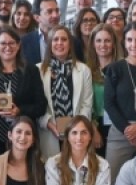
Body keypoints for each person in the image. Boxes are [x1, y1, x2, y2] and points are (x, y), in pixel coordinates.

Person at [0, 27, 49, 165]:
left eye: (12, 43)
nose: (7, 47)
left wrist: (19, 111)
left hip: (21, 138)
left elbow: (41, 105)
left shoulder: (31, 70)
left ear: (18, 45)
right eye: (3, 43)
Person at [103, 22, 136, 180]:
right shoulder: (114, 69)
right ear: (124, 43)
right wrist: (127, 129)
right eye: (129, 40)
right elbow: (109, 104)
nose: (134, 44)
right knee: (112, 179)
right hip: (120, 132)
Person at [35, 24, 94, 162]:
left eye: (64, 39)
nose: (60, 43)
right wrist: (49, 124)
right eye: (55, 39)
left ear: (70, 44)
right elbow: (36, 105)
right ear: (50, 44)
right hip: (49, 131)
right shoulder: (37, 70)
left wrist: (76, 128)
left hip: (77, 134)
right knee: (52, 168)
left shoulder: (84, 70)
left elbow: (87, 104)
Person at [84, 23, 122, 156]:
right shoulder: (86, 70)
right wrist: (93, 129)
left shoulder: (123, 68)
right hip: (95, 124)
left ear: (114, 44)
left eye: (107, 41)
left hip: (118, 123)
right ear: (93, 44)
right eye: (99, 41)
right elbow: (85, 104)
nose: (103, 45)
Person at [19, 0, 61, 65]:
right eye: (49, 11)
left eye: (57, 10)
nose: (55, 15)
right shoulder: (24, 43)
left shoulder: (71, 40)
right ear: (37, 18)